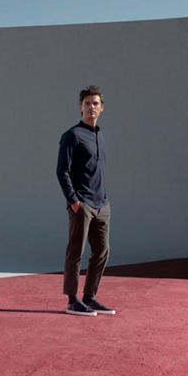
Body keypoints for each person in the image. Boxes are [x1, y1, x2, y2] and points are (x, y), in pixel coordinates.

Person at [56, 85, 116, 316]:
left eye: (95, 103)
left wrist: (104, 201)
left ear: (101, 108)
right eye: (87, 103)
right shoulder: (72, 135)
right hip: (82, 204)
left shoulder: (99, 134)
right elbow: (62, 171)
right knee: (76, 253)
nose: (91, 107)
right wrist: (74, 201)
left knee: (102, 251)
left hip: (102, 204)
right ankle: (72, 300)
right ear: (80, 107)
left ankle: (89, 297)